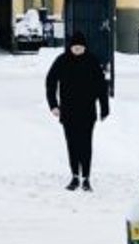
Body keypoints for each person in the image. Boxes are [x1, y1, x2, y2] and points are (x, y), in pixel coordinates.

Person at [45, 31, 109, 190]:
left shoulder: (92, 61)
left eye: (80, 48)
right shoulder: (62, 61)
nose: (78, 50)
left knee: (86, 144)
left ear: (85, 47)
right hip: (68, 111)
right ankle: (74, 176)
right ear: (70, 47)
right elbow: (50, 82)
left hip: (88, 112)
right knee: (72, 144)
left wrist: (104, 108)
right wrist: (53, 105)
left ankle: (86, 178)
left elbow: (101, 87)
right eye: (75, 47)